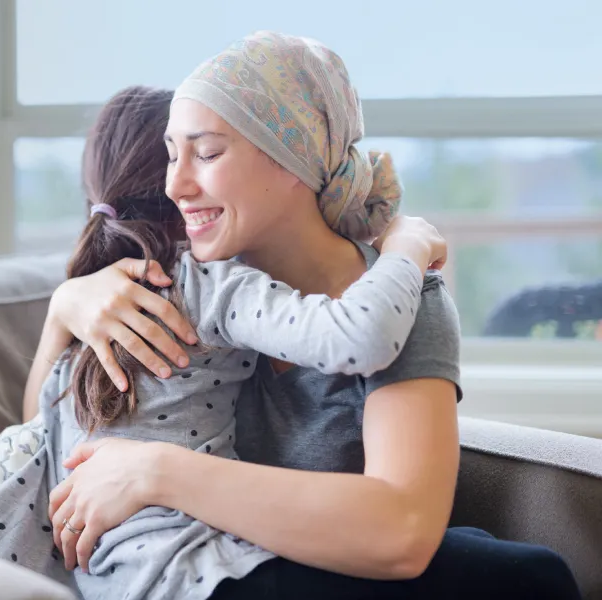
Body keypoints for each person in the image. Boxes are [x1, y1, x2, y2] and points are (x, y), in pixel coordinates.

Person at [39, 31, 582, 599]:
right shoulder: (176, 292)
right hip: (210, 573)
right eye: (173, 154)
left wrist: (158, 473)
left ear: (292, 158)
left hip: (277, 569)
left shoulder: (403, 305)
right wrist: (63, 311)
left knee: (524, 574)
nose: (176, 185)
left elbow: (403, 531)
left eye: (208, 152)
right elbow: (43, 432)